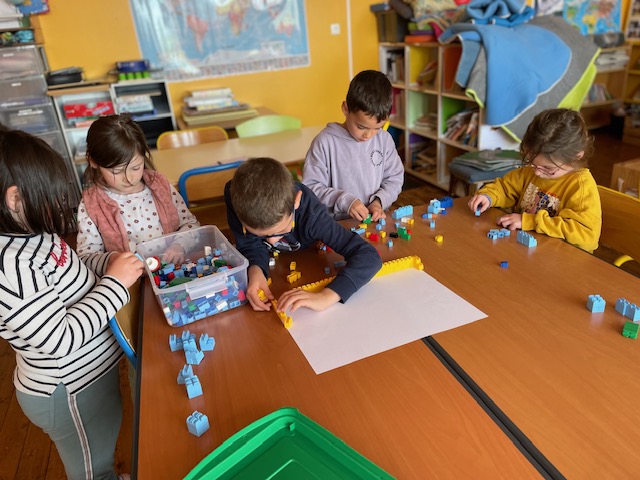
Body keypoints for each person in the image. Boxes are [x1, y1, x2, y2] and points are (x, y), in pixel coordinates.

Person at [0, 128, 144, 480]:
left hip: (90, 378)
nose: (61, 205)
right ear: (15, 199)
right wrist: (116, 283)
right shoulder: (10, 268)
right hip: (69, 391)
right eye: (52, 197)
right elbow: (59, 339)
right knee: (92, 468)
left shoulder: (32, 232)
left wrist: (108, 261)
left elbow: (72, 268)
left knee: (104, 445)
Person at [225, 157, 382, 313]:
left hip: (307, 258)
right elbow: (249, 243)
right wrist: (256, 269)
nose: (271, 241)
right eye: (259, 234)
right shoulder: (236, 197)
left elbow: (369, 257)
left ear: (296, 201)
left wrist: (327, 296)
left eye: (282, 229)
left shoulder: (313, 217)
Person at [468, 108, 602, 252]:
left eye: (548, 168)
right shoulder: (530, 172)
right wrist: (488, 196)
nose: (537, 172)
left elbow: (587, 236)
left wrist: (529, 221)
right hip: (524, 249)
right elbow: (505, 187)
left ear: (576, 157)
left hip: (560, 257)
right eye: (531, 163)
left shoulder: (581, 187)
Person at [76, 114, 199, 263]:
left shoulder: (160, 186)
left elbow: (190, 224)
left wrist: (180, 245)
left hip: (172, 269)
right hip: (132, 277)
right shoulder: (92, 204)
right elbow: (87, 257)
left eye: (135, 168)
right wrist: (114, 260)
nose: (129, 178)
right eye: (116, 171)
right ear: (93, 162)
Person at [302, 69, 404, 222]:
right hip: (337, 225)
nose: (368, 135)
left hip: (374, 222)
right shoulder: (324, 142)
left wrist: (379, 201)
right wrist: (345, 201)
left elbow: (394, 178)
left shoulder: (384, 140)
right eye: (361, 127)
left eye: (377, 128)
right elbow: (311, 187)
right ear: (345, 109)